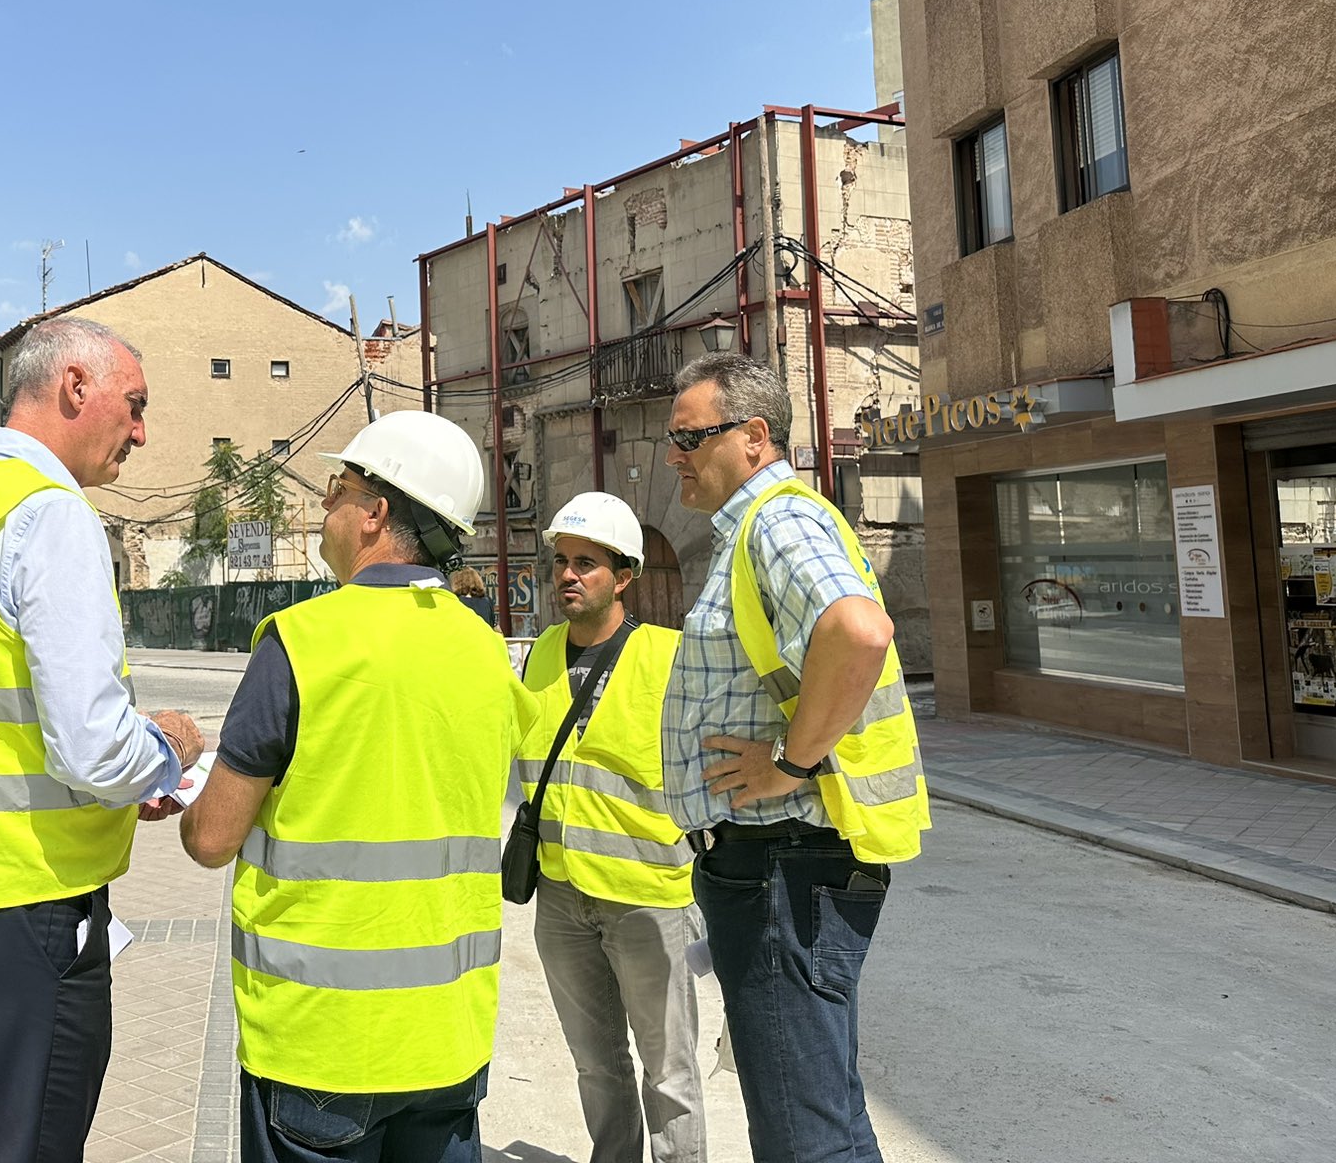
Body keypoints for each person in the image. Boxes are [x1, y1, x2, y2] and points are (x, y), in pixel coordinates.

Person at [0, 316, 205, 1163]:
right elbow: (92, 747)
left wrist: (127, 782)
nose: (141, 430)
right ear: (75, 386)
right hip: (19, 912)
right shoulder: (50, 517)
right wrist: (167, 748)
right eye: (134, 405)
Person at [178, 409, 539, 1163]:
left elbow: (211, 839)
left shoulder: (303, 641)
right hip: (447, 1038)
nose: (325, 508)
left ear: (376, 513)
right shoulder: (486, 652)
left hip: (322, 1042)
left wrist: (187, 777)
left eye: (337, 490)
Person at [659, 353, 929, 1163]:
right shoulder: (757, 526)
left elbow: (859, 631)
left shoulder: (777, 519)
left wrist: (791, 763)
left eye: (689, 436)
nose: (675, 454)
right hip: (779, 866)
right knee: (819, 1112)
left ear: (753, 435)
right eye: (670, 438)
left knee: (801, 1130)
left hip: (783, 863)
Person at [519, 492, 703, 1163]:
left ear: (624, 576)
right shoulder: (538, 655)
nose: (568, 575)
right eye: (561, 562)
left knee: (670, 1073)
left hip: (648, 897)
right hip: (562, 898)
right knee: (596, 1067)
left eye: (587, 564)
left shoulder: (668, 657)